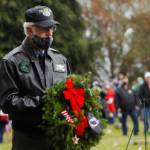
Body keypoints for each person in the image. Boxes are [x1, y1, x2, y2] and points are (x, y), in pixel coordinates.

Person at [0, 5, 71, 150]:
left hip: (60, 138)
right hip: (28, 141)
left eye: (52, 28)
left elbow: (71, 93)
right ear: (29, 30)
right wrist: (42, 103)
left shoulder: (60, 59)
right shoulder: (11, 61)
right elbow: (8, 103)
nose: (50, 33)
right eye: (45, 28)